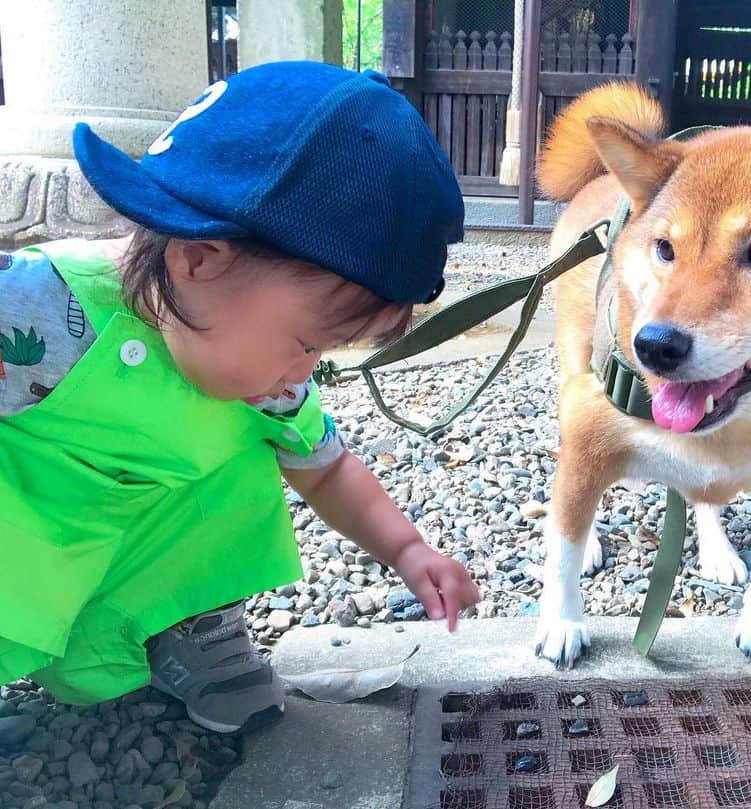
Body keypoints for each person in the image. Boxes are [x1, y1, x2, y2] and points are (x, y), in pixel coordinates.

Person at [0, 61, 480, 733]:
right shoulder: (33, 310)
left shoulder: (266, 386)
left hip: (125, 572)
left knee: (246, 454)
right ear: (198, 258)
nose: (301, 372)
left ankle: (182, 621)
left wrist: (406, 548)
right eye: (305, 341)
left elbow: (327, 464)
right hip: (24, 561)